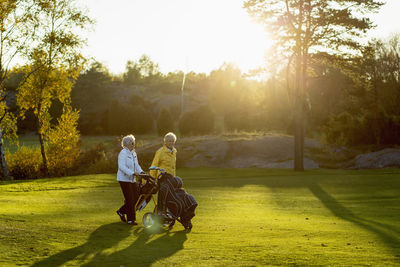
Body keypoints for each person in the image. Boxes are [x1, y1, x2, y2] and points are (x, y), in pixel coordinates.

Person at [116, 134, 144, 225]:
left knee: (136, 197)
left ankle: (121, 211)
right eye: (132, 143)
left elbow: (137, 165)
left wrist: (141, 172)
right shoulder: (123, 153)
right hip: (124, 179)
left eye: (134, 142)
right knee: (130, 199)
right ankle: (131, 219)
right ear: (127, 144)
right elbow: (121, 167)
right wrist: (132, 173)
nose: (133, 144)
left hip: (132, 179)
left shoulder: (134, 153)